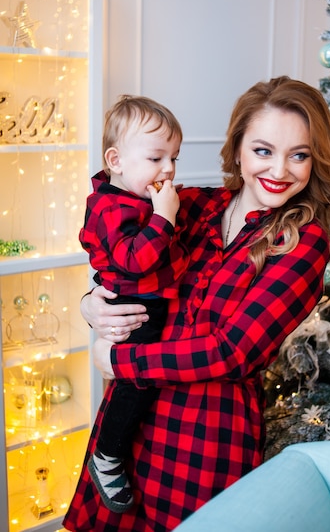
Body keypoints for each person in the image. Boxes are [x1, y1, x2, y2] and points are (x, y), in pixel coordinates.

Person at [63, 76, 330, 532]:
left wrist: (120, 359)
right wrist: (90, 303)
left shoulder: (301, 241)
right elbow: (121, 262)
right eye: (263, 150)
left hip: (204, 436)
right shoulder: (188, 205)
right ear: (237, 149)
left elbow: (234, 352)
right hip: (129, 428)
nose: (279, 170)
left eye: (299, 155)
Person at [78, 95, 189, 513]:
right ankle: (106, 456)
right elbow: (133, 260)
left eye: (174, 158)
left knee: (142, 386)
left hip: (150, 304)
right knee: (135, 386)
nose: (169, 170)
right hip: (135, 306)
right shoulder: (111, 206)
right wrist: (164, 217)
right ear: (116, 160)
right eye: (157, 157)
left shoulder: (144, 199)